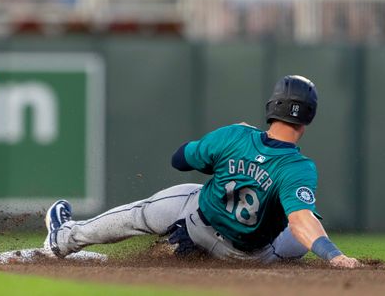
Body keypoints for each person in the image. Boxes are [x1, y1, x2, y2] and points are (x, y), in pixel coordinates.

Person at [44, 75, 362, 269]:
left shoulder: (234, 136)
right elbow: (301, 221)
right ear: (307, 119)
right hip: (250, 257)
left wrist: (222, 145)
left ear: (272, 106)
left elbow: (179, 160)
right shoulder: (298, 167)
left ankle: (64, 238)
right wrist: (333, 256)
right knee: (305, 222)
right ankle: (176, 251)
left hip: (199, 227)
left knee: (140, 214)